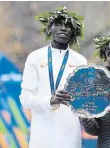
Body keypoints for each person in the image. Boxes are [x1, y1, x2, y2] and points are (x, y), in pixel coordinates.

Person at [19, 6, 87, 148]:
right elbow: (25, 99)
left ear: (73, 32)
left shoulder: (80, 61)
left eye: (68, 26)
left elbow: (84, 99)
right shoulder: (35, 57)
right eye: (58, 24)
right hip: (41, 138)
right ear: (49, 29)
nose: (63, 28)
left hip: (70, 138)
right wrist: (50, 100)